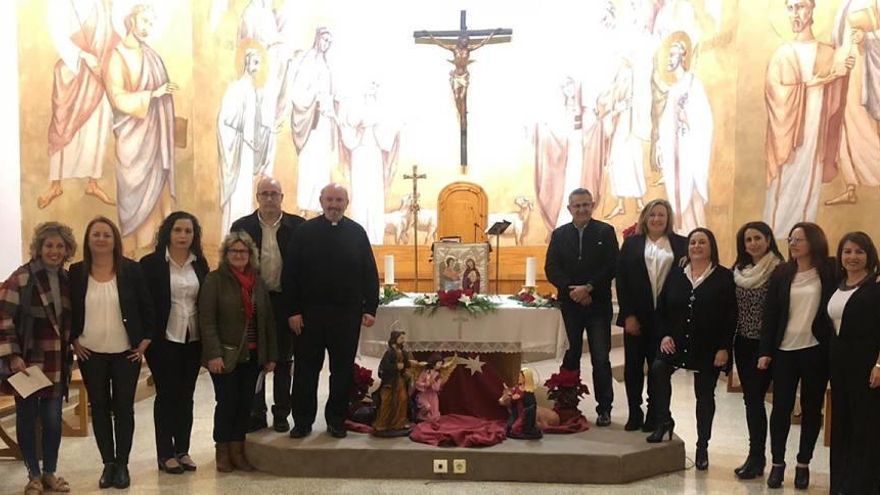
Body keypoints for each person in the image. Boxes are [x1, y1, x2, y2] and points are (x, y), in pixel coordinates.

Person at [285, 183, 379, 439]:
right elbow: (290, 274)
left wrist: (370, 307)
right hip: (308, 316)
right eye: (330, 199)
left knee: (342, 371)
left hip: (346, 316)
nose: (334, 205)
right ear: (321, 201)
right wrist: (292, 311)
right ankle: (303, 421)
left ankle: (336, 420)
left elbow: (369, 272)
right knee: (305, 371)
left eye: (339, 200)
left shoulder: (357, 233)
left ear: (346, 203)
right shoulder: (304, 232)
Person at [70, 217, 155, 489]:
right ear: (88, 239)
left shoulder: (130, 270)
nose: (101, 239)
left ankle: (123, 464)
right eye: (96, 234)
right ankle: (108, 463)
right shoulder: (76, 271)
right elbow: (68, 310)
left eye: (107, 234)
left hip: (125, 353)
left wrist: (144, 342)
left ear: (115, 240)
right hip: (90, 353)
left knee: (123, 408)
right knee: (100, 408)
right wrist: (73, 340)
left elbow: (147, 306)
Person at [648, 228, 736, 473]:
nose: (697, 246)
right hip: (676, 342)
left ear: (711, 247)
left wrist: (723, 348)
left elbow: (731, 316)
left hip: (708, 347)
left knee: (704, 396)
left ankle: (702, 446)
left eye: (702, 242)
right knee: (658, 369)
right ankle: (664, 421)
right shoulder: (677, 274)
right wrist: (664, 334)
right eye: (693, 242)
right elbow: (662, 308)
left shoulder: (723, 277)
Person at [763, 0, 853, 237]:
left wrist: (843, 72)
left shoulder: (827, 52)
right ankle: (779, 236)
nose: (796, 13)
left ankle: (805, 238)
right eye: (791, 8)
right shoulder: (782, 53)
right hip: (789, 133)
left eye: (801, 6)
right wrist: (811, 84)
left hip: (816, 130)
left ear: (812, 9)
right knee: (785, 183)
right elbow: (774, 93)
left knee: (809, 180)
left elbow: (837, 97)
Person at [0, 222, 77, 494]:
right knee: (28, 418)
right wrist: (12, 356)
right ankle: (32, 474)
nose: (54, 251)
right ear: (39, 248)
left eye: (59, 246)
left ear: (67, 249)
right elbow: (4, 317)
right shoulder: (22, 277)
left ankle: (49, 473)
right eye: (49, 245)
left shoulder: (68, 279)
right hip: (28, 363)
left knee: (54, 420)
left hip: (57, 362)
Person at [758, 222, 835, 490]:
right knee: (780, 409)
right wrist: (765, 351)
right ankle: (777, 463)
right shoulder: (782, 272)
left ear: (813, 241)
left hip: (815, 349)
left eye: (799, 239)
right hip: (784, 350)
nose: (792, 243)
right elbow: (770, 315)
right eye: (790, 239)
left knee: (812, 409)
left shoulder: (829, 270)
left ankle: (804, 464)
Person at [230, 177, 304, 433]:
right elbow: (232, 264)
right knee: (255, 358)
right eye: (265, 194)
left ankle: (282, 413)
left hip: (286, 300)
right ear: (257, 197)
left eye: (274, 193)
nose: (270, 198)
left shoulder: (298, 226)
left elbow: (303, 271)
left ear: (282, 197)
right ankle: (256, 411)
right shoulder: (241, 226)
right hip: (252, 300)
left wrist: (298, 308)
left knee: (284, 359)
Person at [199, 231, 277, 473]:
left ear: (250, 255)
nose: (239, 255)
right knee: (227, 403)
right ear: (226, 254)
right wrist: (214, 354)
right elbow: (207, 320)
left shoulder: (257, 282)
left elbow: (267, 321)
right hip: (226, 355)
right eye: (234, 251)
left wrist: (270, 355)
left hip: (252, 355)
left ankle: (238, 451)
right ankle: (222, 451)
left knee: (245, 404)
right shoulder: (215, 280)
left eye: (243, 251)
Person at [105, 4, 178, 256]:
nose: (146, 28)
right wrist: (152, 95)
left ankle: (156, 250)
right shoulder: (117, 55)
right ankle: (135, 252)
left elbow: (165, 97)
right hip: (132, 140)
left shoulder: (152, 55)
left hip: (155, 137)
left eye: (150, 23)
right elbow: (116, 97)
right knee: (135, 196)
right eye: (143, 21)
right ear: (130, 21)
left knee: (157, 195)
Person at [139, 212, 209, 474]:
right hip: (163, 339)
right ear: (168, 232)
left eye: (188, 231)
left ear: (194, 235)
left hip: (192, 339)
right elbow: (143, 304)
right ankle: (165, 453)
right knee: (166, 395)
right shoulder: (151, 264)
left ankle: (183, 450)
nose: (183, 236)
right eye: (178, 230)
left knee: (186, 396)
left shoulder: (199, 264)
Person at [545, 187, 619, 426]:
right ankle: (567, 406)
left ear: (592, 205)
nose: (582, 209)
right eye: (577, 205)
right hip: (569, 306)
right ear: (569, 209)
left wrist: (588, 288)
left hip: (597, 305)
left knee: (600, 358)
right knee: (571, 355)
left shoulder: (605, 232)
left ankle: (604, 408)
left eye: (586, 204)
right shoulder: (559, 234)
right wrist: (572, 290)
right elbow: (552, 268)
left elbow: (611, 266)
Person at [615, 199, 687, 432]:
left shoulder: (680, 244)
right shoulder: (632, 244)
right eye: (653, 215)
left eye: (662, 215)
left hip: (666, 319)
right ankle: (635, 412)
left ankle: (655, 413)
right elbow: (623, 282)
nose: (657, 219)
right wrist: (628, 315)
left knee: (659, 366)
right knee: (633, 367)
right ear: (645, 217)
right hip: (637, 315)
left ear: (668, 219)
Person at [38, 0, 115, 209]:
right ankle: (56, 184)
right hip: (73, 70)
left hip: (99, 71)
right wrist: (82, 56)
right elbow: (58, 32)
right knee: (63, 124)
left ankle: (93, 182)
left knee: (98, 125)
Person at [827, 232, 880, 494]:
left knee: (864, 427)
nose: (852, 257)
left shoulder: (876, 287)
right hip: (839, 365)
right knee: (841, 424)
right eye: (847, 251)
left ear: (869, 255)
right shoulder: (838, 284)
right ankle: (841, 483)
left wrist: (879, 365)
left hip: (867, 365)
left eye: (859, 251)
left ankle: (862, 485)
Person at [731, 221, 784, 480]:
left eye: (757, 238)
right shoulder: (739, 270)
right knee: (751, 400)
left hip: (770, 345)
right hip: (743, 343)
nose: (752, 243)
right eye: (748, 239)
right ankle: (756, 457)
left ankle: (776, 461)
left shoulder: (779, 270)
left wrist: (768, 347)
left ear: (768, 239)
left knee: (770, 401)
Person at [656, 34, 714, 234]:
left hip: (691, 150)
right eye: (668, 55)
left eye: (673, 55)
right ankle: (685, 239)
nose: (670, 60)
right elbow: (665, 124)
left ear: (683, 55)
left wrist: (687, 116)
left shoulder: (693, 84)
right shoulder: (674, 90)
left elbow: (704, 118)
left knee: (693, 196)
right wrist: (660, 144)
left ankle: (701, 238)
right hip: (676, 153)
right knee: (681, 202)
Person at [826, 1, 880, 206]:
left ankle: (874, 177)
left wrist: (866, 40)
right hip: (845, 73)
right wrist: (839, 60)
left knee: (862, 127)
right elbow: (839, 41)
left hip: (865, 71)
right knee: (843, 127)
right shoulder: (845, 5)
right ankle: (850, 186)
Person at [218, 45, 273, 236]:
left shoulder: (254, 92)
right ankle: (232, 238)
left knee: (247, 195)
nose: (257, 67)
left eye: (259, 63)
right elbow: (226, 119)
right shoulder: (236, 89)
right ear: (247, 62)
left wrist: (266, 131)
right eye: (254, 62)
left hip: (248, 151)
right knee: (238, 196)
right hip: (238, 151)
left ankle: (244, 239)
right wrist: (243, 130)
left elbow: (258, 125)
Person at [289, 27, 336, 216]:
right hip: (312, 122)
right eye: (324, 40)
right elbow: (298, 92)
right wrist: (315, 97)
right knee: (309, 163)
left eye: (329, 42)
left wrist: (330, 104)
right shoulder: (308, 62)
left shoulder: (325, 64)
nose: (326, 45)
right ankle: (304, 206)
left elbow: (328, 93)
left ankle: (319, 207)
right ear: (317, 39)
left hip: (324, 121)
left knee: (322, 165)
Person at [372, 330, 413, 436]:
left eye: (403, 338)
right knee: (387, 401)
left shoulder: (403, 351)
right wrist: (395, 367)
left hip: (400, 380)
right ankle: (383, 423)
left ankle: (400, 422)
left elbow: (406, 364)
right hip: (390, 382)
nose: (403, 340)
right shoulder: (389, 352)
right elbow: (383, 367)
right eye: (401, 338)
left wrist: (407, 366)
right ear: (395, 339)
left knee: (403, 399)